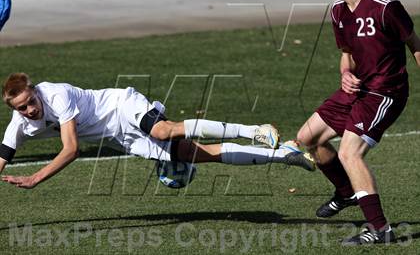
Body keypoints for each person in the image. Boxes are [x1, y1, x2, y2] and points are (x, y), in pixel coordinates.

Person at [297, 0, 420, 245]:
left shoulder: (386, 7)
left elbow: (415, 44)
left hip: (385, 92)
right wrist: (345, 74)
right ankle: (346, 191)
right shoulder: (339, 11)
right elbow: (347, 54)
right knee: (307, 138)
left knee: (349, 152)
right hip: (357, 90)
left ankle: (380, 230)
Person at [0, 73, 315, 189]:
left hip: (121, 106)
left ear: (35, 92)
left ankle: (253, 130)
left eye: (30, 102)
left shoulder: (55, 95)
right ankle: (283, 155)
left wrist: (34, 178)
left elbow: (71, 149)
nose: (30, 111)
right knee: (199, 155)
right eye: (21, 108)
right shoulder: (19, 125)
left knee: (164, 131)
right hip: (120, 136)